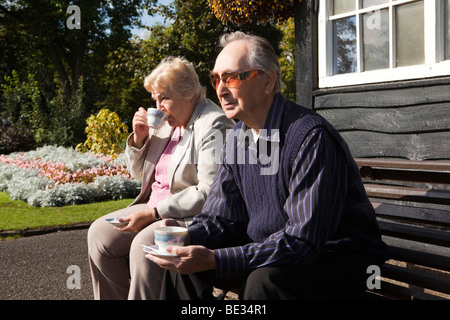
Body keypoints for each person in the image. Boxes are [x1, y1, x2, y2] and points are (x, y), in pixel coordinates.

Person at [145, 32, 390, 300]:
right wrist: (188, 237)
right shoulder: (238, 137)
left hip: (346, 262)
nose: (220, 89)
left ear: (268, 81)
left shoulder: (310, 137)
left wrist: (216, 259)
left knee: (264, 281)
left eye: (232, 77)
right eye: (216, 78)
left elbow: (302, 242)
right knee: (181, 263)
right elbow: (221, 218)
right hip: (279, 251)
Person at [87, 56, 235, 300]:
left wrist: (154, 213)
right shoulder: (165, 123)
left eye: (163, 97)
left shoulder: (213, 124)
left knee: (143, 245)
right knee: (99, 234)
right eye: (155, 99)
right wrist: (139, 139)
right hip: (152, 207)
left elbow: (208, 192)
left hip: (186, 216)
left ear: (188, 94)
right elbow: (139, 175)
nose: (158, 106)